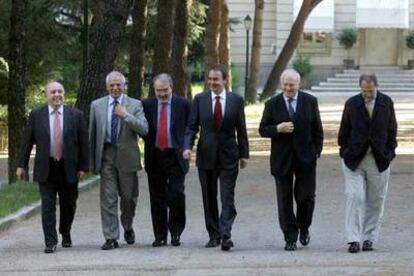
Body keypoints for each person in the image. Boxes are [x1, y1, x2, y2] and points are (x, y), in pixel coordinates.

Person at [16, 81, 89, 254]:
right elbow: (27, 142)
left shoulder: (76, 115)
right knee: (47, 205)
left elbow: (84, 143)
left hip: (69, 167)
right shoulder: (36, 115)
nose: (57, 95)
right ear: (46, 95)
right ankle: (50, 241)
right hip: (46, 167)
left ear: (63, 94)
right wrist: (21, 165)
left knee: (69, 205)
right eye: (53, 92)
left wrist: (83, 167)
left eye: (60, 91)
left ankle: (65, 232)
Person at [183, 64, 249, 251]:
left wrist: (244, 154)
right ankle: (213, 235)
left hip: (229, 156)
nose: (212, 82)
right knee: (209, 197)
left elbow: (241, 129)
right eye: (210, 79)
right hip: (206, 156)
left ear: (225, 80)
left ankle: (226, 234)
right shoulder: (200, 99)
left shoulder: (236, 100)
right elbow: (192, 127)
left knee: (227, 197)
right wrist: (188, 147)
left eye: (216, 79)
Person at [259, 69, 324, 251]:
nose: (288, 88)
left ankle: (304, 228)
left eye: (292, 85)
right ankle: (290, 236)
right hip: (282, 160)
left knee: (306, 198)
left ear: (298, 84)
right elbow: (263, 129)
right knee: (284, 200)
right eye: (285, 84)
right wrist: (277, 129)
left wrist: (316, 151)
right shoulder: (272, 104)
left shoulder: (310, 102)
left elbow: (317, 129)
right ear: (282, 84)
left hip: (306, 159)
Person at [338, 73, 397, 253]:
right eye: (364, 91)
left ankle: (369, 238)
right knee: (354, 196)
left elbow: (392, 130)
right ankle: (353, 239)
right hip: (354, 159)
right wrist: (346, 151)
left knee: (376, 200)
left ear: (376, 87)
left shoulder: (386, 102)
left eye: (370, 91)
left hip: (379, 159)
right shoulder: (351, 103)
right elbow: (343, 132)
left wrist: (389, 153)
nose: (367, 95)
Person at [89, 71, 148, 250]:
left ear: (124, 86)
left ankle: (128, 225)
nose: (115, 88)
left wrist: (126, 116)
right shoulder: (96, 105)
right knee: (108, 199)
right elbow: (92, 134)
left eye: (118, 85)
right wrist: (92, 162)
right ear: (107, 87)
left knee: (129, 198)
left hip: (127, 157)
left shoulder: (134, 104)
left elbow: (144, 129)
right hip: (106, 155)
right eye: (111, 85)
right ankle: (111, 237)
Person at [142, 73, 191, 247]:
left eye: (165, 90)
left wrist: (187, 147)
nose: (162, 94)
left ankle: (176, 232)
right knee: (157, 197)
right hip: (155, 156)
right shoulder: (147, 105)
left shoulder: (183, 104)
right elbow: (142, 128)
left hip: (176, 156)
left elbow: (190, 128)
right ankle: (160, 235)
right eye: (158, 91)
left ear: (172, 88)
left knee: (177, 194)